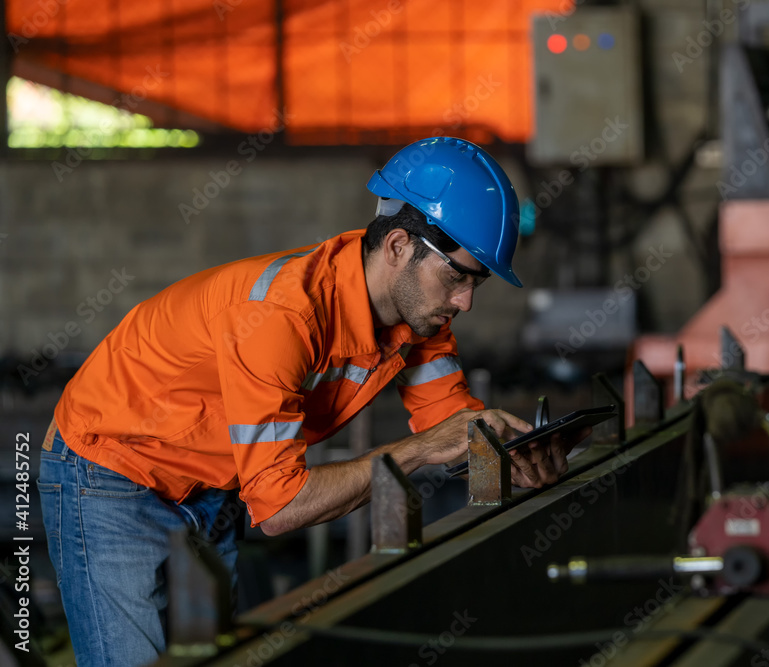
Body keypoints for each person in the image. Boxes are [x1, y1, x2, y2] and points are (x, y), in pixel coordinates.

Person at [37, 136, 583, 666]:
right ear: (397, 247)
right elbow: (279, 507)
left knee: (212, 660)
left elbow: (453, 425)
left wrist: (512, 458)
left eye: (476, 283)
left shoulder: (419, 319)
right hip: (110, 469)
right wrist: (417, 453)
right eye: (456, 276)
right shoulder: (282, 317)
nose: (464, 301)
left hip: (212, 480)